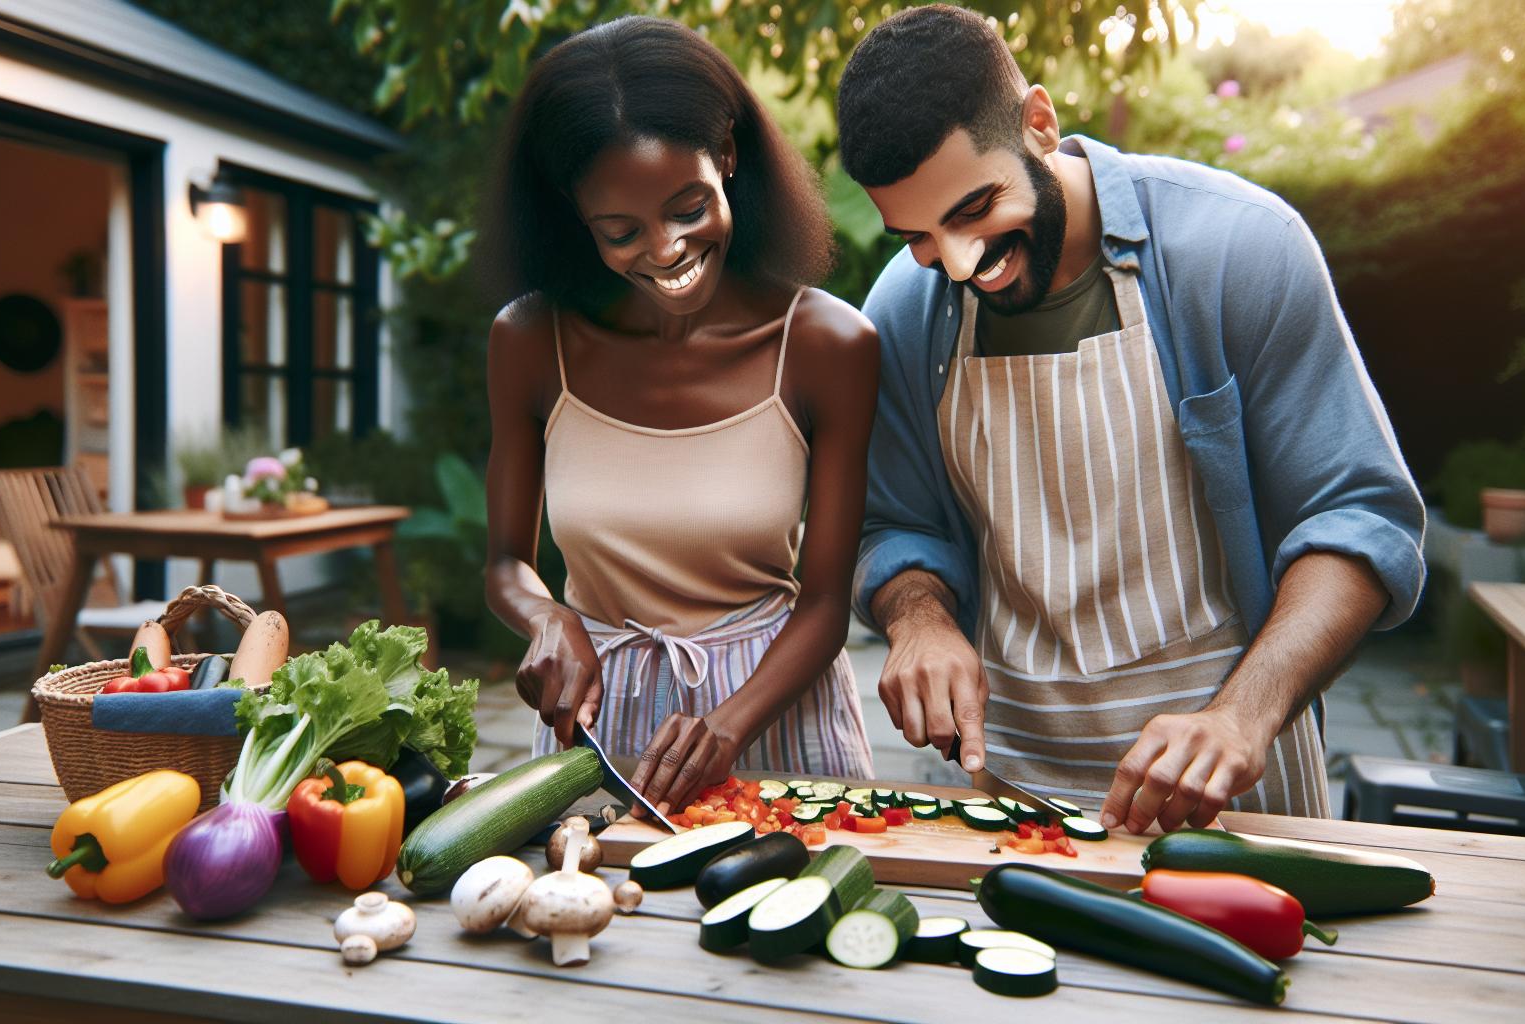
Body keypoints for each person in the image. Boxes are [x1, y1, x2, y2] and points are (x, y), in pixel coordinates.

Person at [836, 5, 1425, 833]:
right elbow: (898, 524)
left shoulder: (1238, 249)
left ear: (1038, 123)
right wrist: (919, 618)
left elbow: (1358, 518)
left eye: (973, 210)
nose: (961, 264)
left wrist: (1243, 717)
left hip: (1232, 799)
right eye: (921, 236)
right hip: (1014, 802)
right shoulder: (906, 308)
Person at [481, 15, 878, 813]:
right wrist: (547, 617)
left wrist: (726, 728)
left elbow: (828, 602)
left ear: (728, 157)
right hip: (599, 721)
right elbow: (504, 564)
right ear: (575, 213)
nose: (665, 250)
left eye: (689, 207)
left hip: (773, 712)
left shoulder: (827, 343)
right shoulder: (529, 340)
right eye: (621, 231)